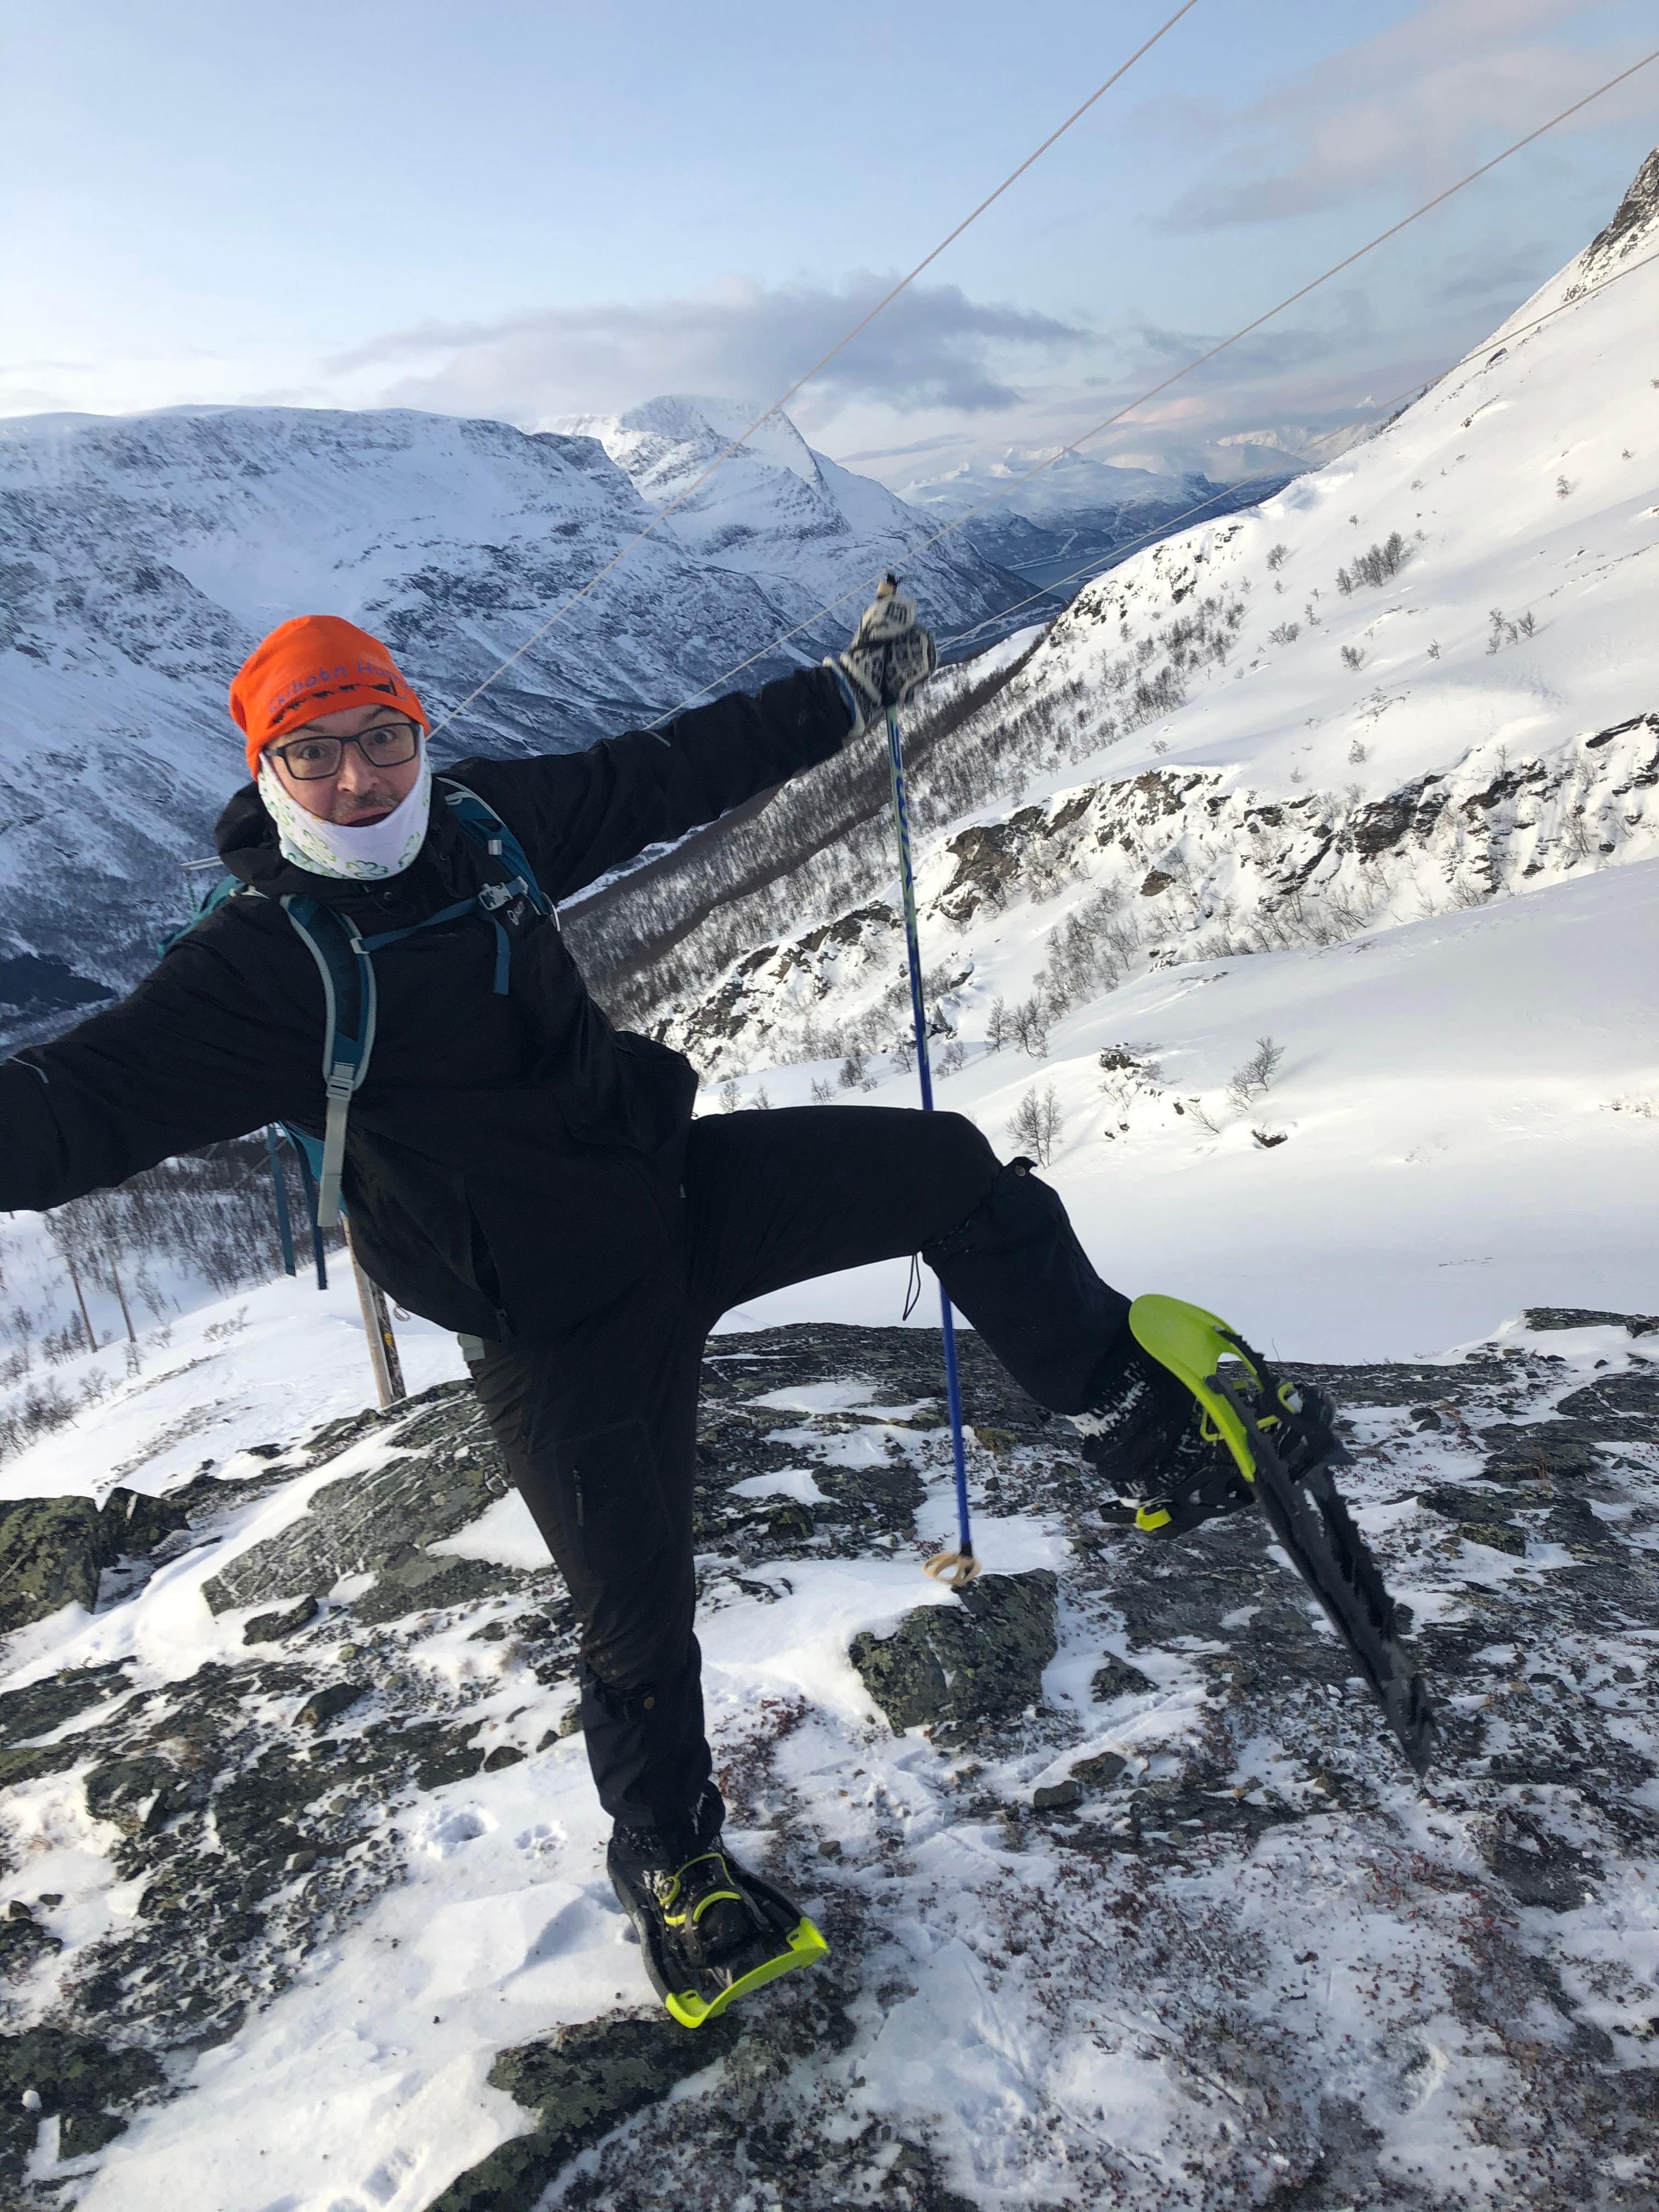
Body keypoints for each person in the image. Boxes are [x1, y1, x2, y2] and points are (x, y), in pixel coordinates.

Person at [0, 601, 1247, 2022]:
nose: (359, 779)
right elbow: (68, 1117)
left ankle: (1134, 1421)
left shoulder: (485, 827)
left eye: (382, 739)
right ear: (266, 770)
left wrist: (848, 695)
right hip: (550, 1329)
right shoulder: (261, 968)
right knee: (639, 1619)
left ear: (420, 732)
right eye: (314, 754)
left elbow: (666, 773)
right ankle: (673, 1862)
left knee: (950, 1173)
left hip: (674, 1199)